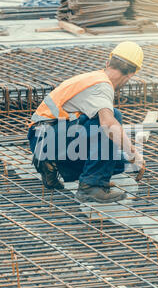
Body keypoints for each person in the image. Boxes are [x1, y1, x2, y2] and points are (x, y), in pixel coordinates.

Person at [28, 41, 146, 204]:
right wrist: (135, 155)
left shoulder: (94, 78)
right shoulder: (102, 86)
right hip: (47, 137)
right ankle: (90, 186)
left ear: (108, 62)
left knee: (119, 162)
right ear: (131, 74)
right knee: (113, 119)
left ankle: (51, 163)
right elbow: (109, 125)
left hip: (44, 138)